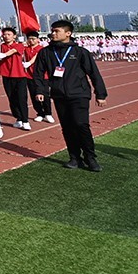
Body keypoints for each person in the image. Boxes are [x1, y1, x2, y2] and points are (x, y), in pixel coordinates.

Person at [32, 20, 107, 171]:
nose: (53, 33)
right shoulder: (46, 52)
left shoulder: (80, 52)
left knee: (81, 125)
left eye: (57, 31)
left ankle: (90, 157)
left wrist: (100, 94)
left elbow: (93, 73)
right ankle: (74, 157)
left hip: (79, 94)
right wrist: (40, 90)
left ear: (68, 33)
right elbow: (38, 74)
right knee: (67, 127)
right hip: (59, 95)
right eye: (52, 31)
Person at [0, 27, 32, 131]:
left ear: (14, 36)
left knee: (21, 98)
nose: (6, 36)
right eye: (4, 34)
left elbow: (13, 51)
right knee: (11, 98)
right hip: (6, 75)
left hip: (19, 75)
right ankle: (18, 118)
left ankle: (25, 120)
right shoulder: (1, 46)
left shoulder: (19, 45)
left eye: (9, 34)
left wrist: (4, 54)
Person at [21, 30, 53, 122]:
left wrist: (29, 63)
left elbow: (36, 56)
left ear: (38, 39)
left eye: (33, 39)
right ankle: (40, 113)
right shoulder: (25, 49)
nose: (31, 40)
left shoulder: (42, 49)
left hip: (42, 76)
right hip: (29, 76)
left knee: (45, 95)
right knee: (33, 95)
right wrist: (20, 43)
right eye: (29, 39)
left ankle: (48, 113)